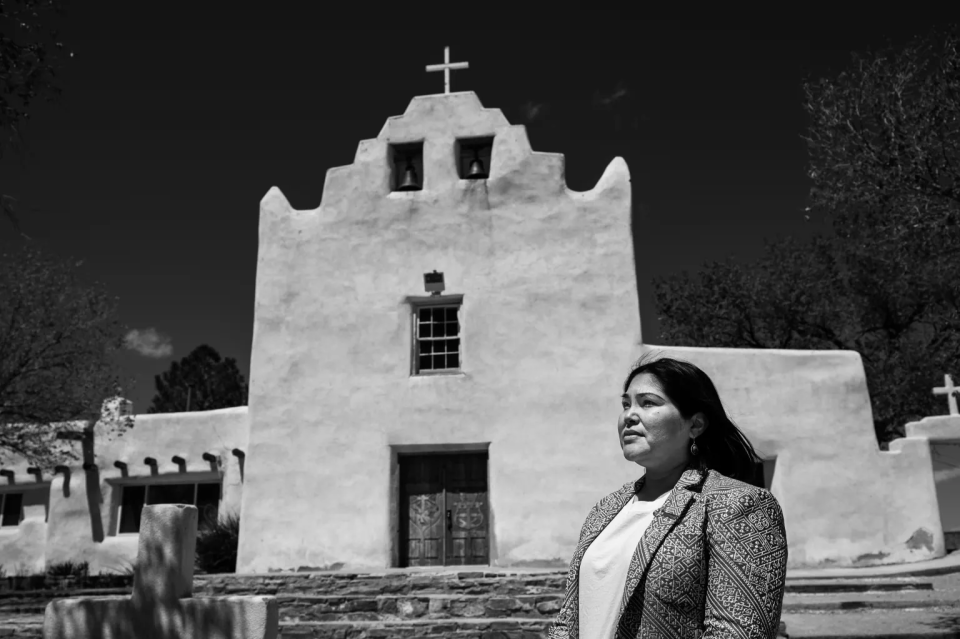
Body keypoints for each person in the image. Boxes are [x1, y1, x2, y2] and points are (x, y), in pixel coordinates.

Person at [548, 355, 788, 639]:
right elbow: (568, 621)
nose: (629, 416)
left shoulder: (734, 504)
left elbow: (739, 633)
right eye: (626, 404)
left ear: (695, 425)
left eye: (648, 402)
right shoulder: (606, 509)